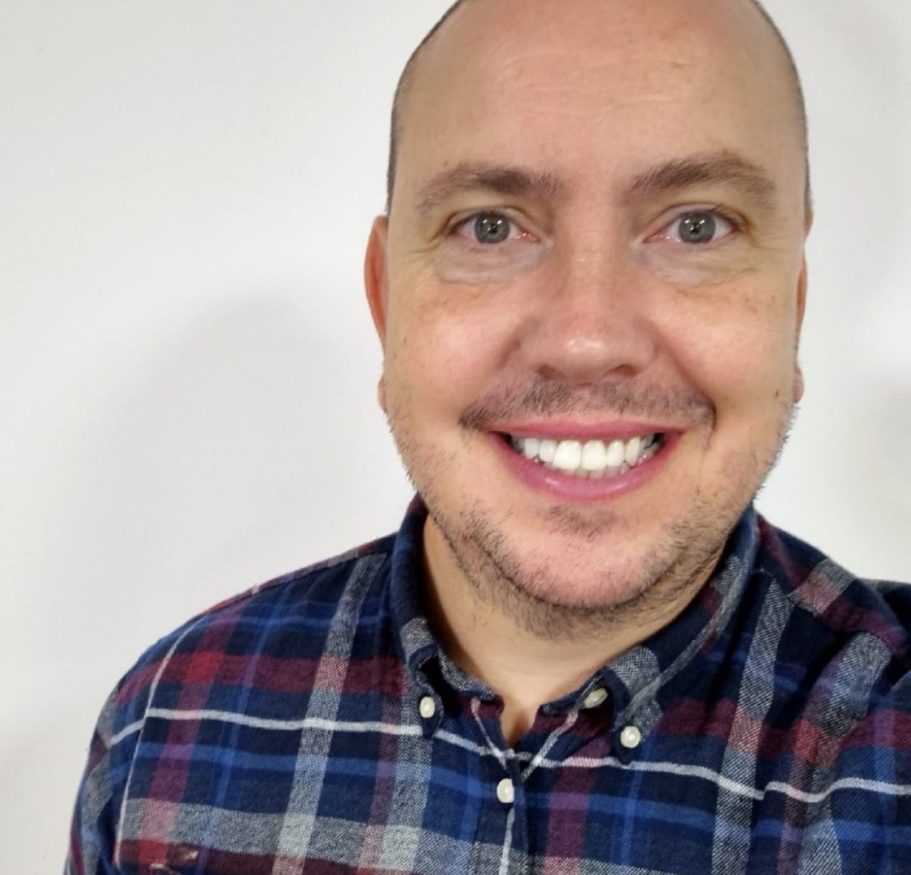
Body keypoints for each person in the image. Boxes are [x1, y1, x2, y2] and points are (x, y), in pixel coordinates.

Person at [66, 1, 910, 872]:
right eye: (489, 226)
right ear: (386, 302)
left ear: (792, 306)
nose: (585, 340)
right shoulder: (165, 726)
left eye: (696, 225)